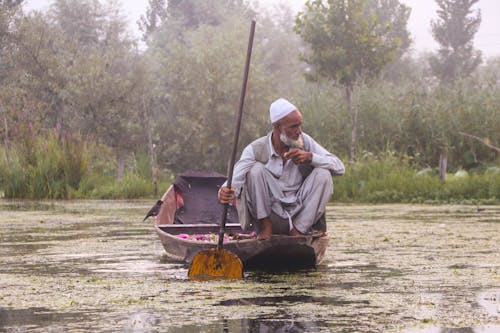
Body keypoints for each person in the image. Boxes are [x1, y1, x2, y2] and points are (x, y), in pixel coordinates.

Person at [218, 98, 345, 240]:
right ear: (278, 127)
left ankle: (298, 231)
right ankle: (265, 228)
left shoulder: (305, 142)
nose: (299, 131)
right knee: (255, 170)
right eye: (293, 127)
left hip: (301, 215)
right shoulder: (256, 149)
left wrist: (310, 157)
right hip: (271, 215)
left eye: (300, 125)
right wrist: (224, 192)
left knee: (323, 173)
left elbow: (339, 168)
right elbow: (234, 180)